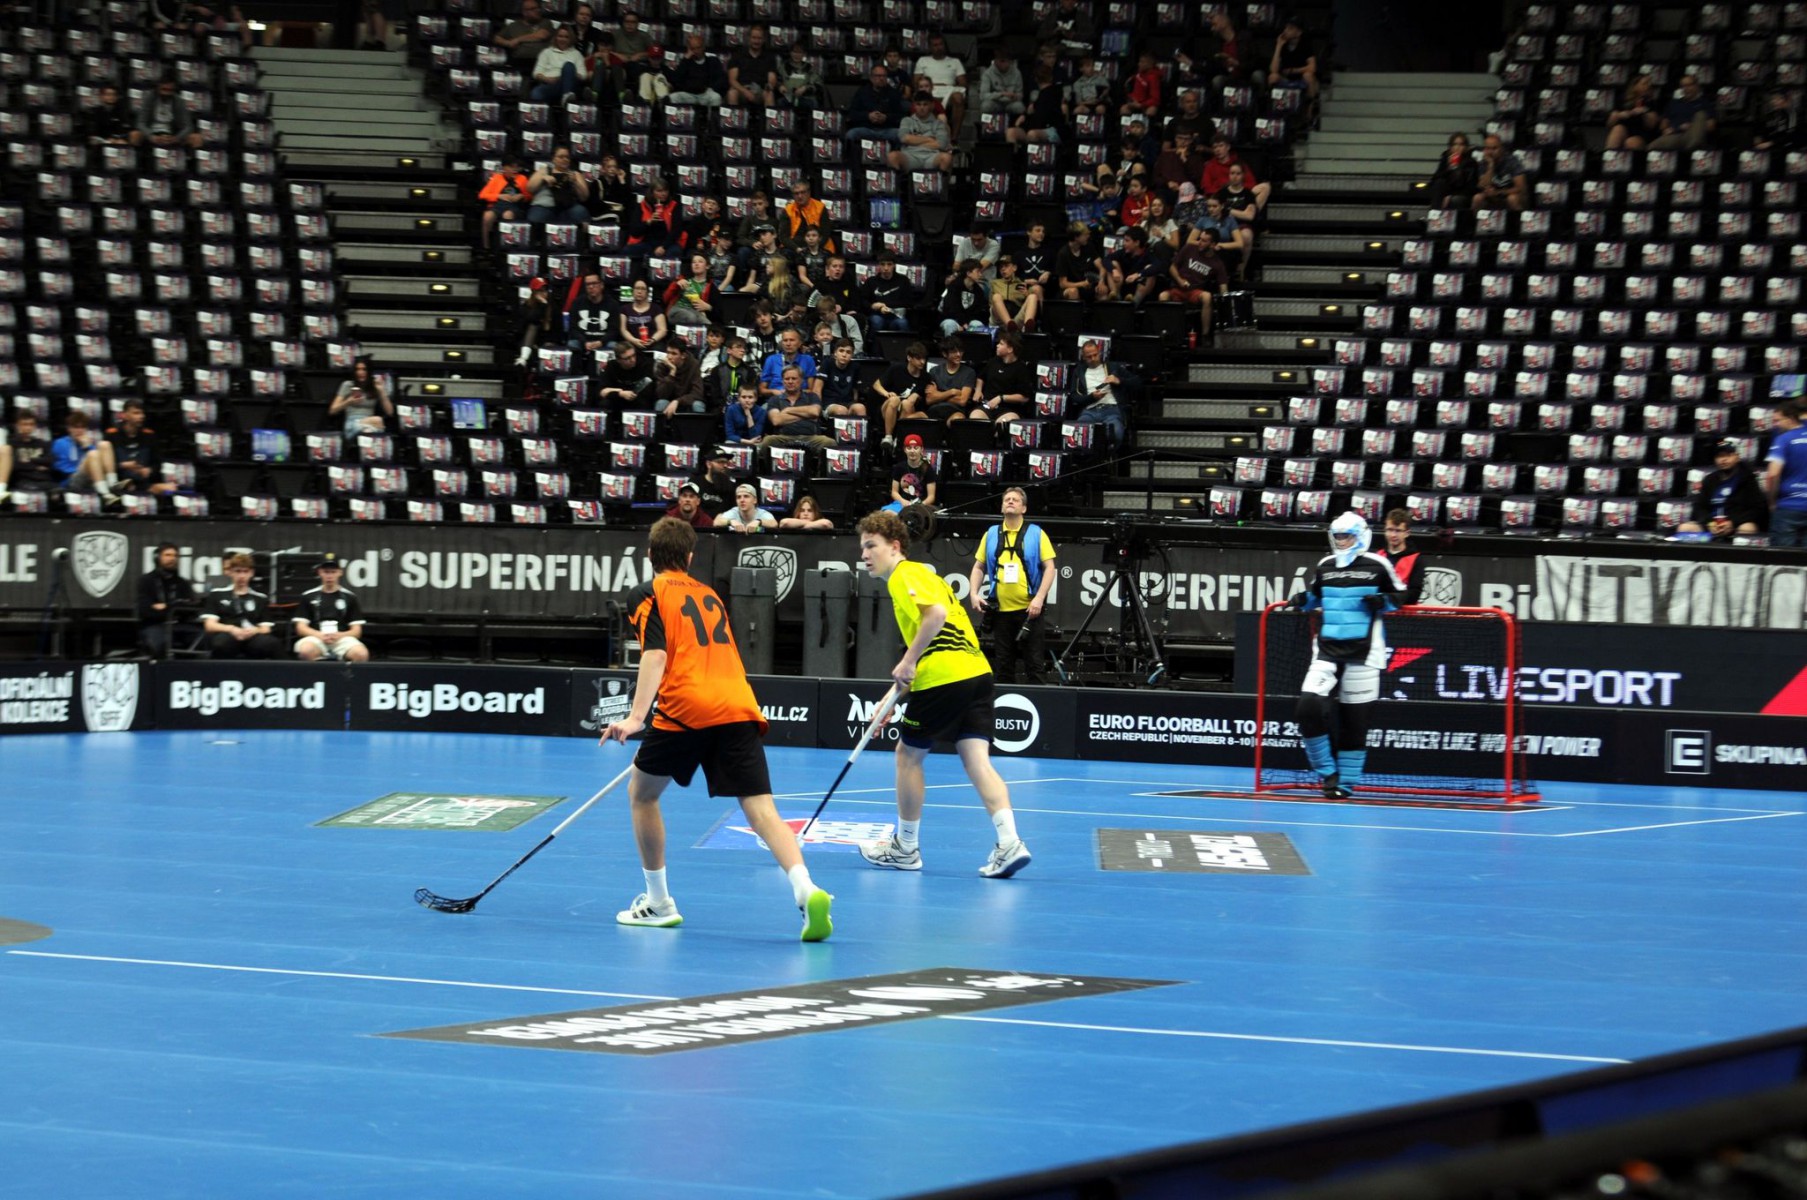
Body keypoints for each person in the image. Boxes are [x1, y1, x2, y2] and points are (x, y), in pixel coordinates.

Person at [602, 517, 833, 940]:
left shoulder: (647, 593)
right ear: (690, 558)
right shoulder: (709, 594)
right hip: (737, 703)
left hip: (686, 707)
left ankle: (658, 902)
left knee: (642, 794)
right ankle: (806, 887)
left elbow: (655, 654)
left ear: (650, 555)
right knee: (761, 809)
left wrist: (636, 718)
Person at [854, 509, 1032, 879]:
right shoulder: (926, 575)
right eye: (863, 547)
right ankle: (1010, 842)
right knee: (977, 760)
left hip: (944, 677)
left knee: (907, 756)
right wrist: (891, 698)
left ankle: (905, 848)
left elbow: (934, 618)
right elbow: (931, 643)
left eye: (872, 546)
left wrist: (907, 660)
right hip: (977, 673)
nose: (865, 554)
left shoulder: (903, 575)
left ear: (895, 546)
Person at [1288, 512, 1407, 799]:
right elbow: (1316, 597)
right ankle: (1327, 772)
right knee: (1307, 709)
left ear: (1361, 536)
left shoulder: (1378, 564)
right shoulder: (1325, 565)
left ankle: (1345, 784)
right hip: (1326, 651)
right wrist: (1303, 600)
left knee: (1355, 725)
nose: (1342, 541)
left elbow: (1402, 595)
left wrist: (1384, 601)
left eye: (1347, 536)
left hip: (1365, 654)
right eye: (1338, 536)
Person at [969, 487, 1056, 684]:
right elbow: (978, 567)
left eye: (1015, 500)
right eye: (1006, 499)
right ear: (1001, 507)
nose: (1010, 501)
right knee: (1003, 666)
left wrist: (1039, 598)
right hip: (1000, 612)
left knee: (1035, 665)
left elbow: (1050, 568)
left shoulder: (1036, 533)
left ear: (1023, 508)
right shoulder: (991, 534)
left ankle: (1039, 702)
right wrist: (973, 593)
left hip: (1030, 612)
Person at [203, 553, 282, 659]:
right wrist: (231, 629)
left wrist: (255, 630)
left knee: (272, 643)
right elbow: (210, 625)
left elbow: (266, 628)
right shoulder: (217, 594)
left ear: (251, 573)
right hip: (227, 634)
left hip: (252, 636)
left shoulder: (260, 598)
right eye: (238, 571)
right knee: (221, 643)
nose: (242, 576)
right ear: (231, 572)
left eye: (245, 571)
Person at [293, 553, 369, 663]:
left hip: (341, 638)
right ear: (319, 572)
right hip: (316, 637)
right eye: (326, 572)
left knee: (361, 654)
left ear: (340, 572)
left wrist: (340, 635)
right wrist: (319, 635)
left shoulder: (350, 597)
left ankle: (347, 673)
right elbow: (301, 627)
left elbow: (357, 631)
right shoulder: (308, 596)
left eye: (333, 572)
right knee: (306, 650)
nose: (329, 576)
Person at [138, 542, 199, 659]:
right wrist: (175, 607)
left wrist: (166, 607)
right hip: (155, 625)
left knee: (201, 639)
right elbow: (145, 610)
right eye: (168, 555)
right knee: (159, 644)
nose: (172, 559)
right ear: (157, 558)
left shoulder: (183, 583)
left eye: (175, 556)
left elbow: (191, 607)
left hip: (180, 625)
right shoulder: (146, 580)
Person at [1067, 338, 1128, 447]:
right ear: (1083, 357)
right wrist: (1092, 397)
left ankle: (1109, 456)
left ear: (1099, 352)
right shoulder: (1079, 371)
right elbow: (1074, 396)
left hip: (1111, 410)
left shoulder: (1113, 367)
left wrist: (1119, 381)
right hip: (1089, 411)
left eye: (1095, 355)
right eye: (1089, 357)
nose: (1093, 359)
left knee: (1116, 434)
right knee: (1077, 433)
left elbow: (1137, 382)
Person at [50, 412, 122, 503]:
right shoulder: (60, 443)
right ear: (69, 428)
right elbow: (58, 467)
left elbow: (97, 463)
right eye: (76, 427)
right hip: (71, 480)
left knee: (104, 444)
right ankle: (104, 494)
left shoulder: (88, 444)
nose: (79, 430)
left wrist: (87, 447)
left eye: (82, 427)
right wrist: (82, 466)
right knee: (92, 454)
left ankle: (112, 484)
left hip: (93, 478)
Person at [875, 341, 932, 446]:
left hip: (909, 413)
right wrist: (886, 393)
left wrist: (917, 395)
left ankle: (899, 438)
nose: (922, 362)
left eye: (924, 358)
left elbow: (926, 399)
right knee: (895, 399)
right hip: (890, 408)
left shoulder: (926, 377)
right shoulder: (897, 369)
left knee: (907, 403)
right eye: (918, 358)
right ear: (909, 358)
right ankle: (888, 437)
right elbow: (876, 384)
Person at [763, 365, 834, 449]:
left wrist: (788, 410)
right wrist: (807, 415)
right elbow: (776, 420)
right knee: (768, 440)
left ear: (801, 380)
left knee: (829, 442)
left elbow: (815, 412)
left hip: (811, 438)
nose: (790, 381)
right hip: (783, 438)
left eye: (794, 378)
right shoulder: (775, 399)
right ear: (782, 381)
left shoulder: (812, 396)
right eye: (787, 379)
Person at [1766, 402, 1807, 546]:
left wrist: (1771, 501)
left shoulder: (1783, 439)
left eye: (1778, 420)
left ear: (1790, 419)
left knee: (1783, 557)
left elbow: (1773, 474)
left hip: (1788, 507)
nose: (1775, 425)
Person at [913, 33, 967, 135]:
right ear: (930, 47)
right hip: (928, 90)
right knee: (923, 96)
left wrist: (950, 88)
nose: (939, 47)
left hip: (948, 91)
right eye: (935, 45)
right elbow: (916, 82)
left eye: (941, 44)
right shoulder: (923, 60)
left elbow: (963, 83)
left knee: (958, 97)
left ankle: (954, 137)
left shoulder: (955, 61)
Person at [1648, 74, 1716, 152]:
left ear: (1696, 86)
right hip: (1675, 135)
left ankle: (1691, 149)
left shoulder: (1705, 103)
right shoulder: (1674, 103)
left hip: (1693, 134)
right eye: (1683, 86)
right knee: (1652, 146)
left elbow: (1711, 126)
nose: (1686, 89)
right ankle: (1689, 150)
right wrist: (1666, 129)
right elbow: (1663, 124)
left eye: (1689, 85)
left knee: (1701, 114)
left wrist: (1692, 126)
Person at [889, 91, 954, 173]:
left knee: (947, 158)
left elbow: (941, 144)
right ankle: (899, 181)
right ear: (914, 106)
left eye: (925, 104)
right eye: (918, 104)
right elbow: (904, 138)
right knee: (892, 156)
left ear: (931, 105)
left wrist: (913, 141)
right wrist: (930, 139)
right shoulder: (906, 120)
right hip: (910, 156)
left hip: (932, 157)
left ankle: (939, 181)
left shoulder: (939, 124)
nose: (922, 107)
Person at [525, 145, 591, 225]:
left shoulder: (575, 174)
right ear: (553, 159)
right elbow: (530, 188)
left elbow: (584, 197)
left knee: (581, 213)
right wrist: (543, 178)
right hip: (545, 206)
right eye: (561, 157)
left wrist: (575, 182)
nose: (565, 159)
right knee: (536, 218)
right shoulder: (544, 170)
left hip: (568, 207)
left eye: (567, 157)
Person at [0, 410, 56, 503]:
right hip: (23, 481)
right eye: (24, 424)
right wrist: (38, 465)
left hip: (45, 481)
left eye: (31, 424)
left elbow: (50, 461)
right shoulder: (12, 444)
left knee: (58, 494)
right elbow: (15, 465)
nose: (28, 427)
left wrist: (29, 460)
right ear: (18, 425)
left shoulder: (42, 443)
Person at [136, 73, 203, 149]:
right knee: (135, 135)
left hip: (172, 134)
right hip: (151, 133)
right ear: (158, 88)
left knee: (197, 138)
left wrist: (177, 138)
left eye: (170, 90)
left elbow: (188, 126)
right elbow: (140, 123)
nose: (166, 93)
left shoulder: (179, 101)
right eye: (164, 89)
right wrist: (151, 136)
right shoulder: (149, 99)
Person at [479, 153, 532, 249]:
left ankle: (506, 247)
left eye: (517, 167)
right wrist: (499, 196)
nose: (515, 170)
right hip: (498, 205)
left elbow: (529, 196)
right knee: (487, 216)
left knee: (507, 215)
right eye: (512, 167)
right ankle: (486, 247)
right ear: (504, 168)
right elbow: (482, 195)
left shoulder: (522, 178)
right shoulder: (496, 178)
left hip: (515, 207)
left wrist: (521, 196)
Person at [1374, 509, 1425, 606]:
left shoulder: (1416, 559)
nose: (1393, 535)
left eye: (1398, 531)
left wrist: (1387, 599)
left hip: (1404, 613)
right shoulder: (1378, 556)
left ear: (1407, 533)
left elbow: (1414, 594)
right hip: (1380, 611)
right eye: (1390, 530)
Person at [858, 252, 918, 334]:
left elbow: (908, 302)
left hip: (897, 316)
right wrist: (872, 306)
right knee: (876, 321)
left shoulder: (903, 280)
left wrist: (885, 306)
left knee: (902, 323)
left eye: (889, 264)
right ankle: (873, 343)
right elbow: (863, 301)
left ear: (894, 265)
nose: (886, 268)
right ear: (879, 265)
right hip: (877, 315)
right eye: (883, 264)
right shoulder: (871, 281)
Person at [529, 23, 587, 105]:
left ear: (571, 39)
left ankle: (566, 97)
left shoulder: (576, 54)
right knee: (536, 92)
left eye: (566, 37)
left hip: (570, 85)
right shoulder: (546, 52)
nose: (563, 39)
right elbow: (536, 73)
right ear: (556, 37)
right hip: (551, 84)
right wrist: (547, 79)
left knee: (568, 66)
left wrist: (567, 75)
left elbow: (583, 75)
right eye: (560, 36)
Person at [665, 32, 728, 106]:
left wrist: (712, 88)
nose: (696, 51)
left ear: (703, 47)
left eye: (698, 48)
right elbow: (676, 79)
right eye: (693, 49)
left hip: (706, 94)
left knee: (716, 97)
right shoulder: (686, 62)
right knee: (673, 97)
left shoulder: (712, 61)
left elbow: (721, 78)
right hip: (688, 94)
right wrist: (686, 59)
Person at [726, 22, 780, 108]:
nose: (756, 41)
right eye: (754, 38)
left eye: (759, 38)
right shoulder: (738, 55)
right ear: (749, 38)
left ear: (764, 40)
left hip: (760, 91)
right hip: (742, 89)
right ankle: (734, 116)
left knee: (769, 94)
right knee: (732, 92)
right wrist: (745, 91)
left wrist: (770, 86)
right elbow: (732, 80)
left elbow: (772, 78)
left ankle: (768, 117)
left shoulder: (769, 57)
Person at [1471, 134, 1528, 212]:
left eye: (1494, 148)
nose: (1490, 152)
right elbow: (1482, 186)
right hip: (1494, 197)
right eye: (1488, 148)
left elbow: (1521, 188)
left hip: (1510, 195)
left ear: (1501, 149)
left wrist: (1498, 192)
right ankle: (1473, 220)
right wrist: (1490, 166)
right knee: (1477, 198)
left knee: (1512, 198)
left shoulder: (1512, 161)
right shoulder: (1484, 162)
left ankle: (1517, 219)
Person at [924, 340, 978, 423]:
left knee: (958, 419)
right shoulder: (934, 371)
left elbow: (962, 401)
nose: (959, 354)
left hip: (955, 411)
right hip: (934, 410)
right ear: (944, 354)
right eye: (954, 352)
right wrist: (952, 392)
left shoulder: (969, 372)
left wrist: (938, 394)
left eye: (960, 351)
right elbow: (929, 400)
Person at [1605, 75, 1658, 151]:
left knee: (1631, 142)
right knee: (1618, 129)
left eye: (1650, 84)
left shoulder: (1651, 102)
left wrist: (1644, 113)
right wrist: (1619, 115)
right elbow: (1609, 123)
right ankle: (1610, 155)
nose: (1648, 86)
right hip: (1624, 130)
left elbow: (1651, 125)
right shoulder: (1623, 100)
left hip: (1641, 133)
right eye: (1645, 83)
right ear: (1635, 86)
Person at [492, 0, 552, 68]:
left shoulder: (545, 22)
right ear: (525, 12)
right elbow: (496, 38)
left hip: (541, 62)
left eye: (538, 8)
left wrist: (517, 40)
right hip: (519, 62)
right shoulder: (513, 26)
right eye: (533, 9)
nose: (537, 10)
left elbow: (542, 35)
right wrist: (508, 43)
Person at [1426, 133, 1479, 210]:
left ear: (1465, 147)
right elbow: (1434, 180)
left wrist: (1451, 196)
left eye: (1461, 145)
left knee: (1455, 200)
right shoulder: (1445, 159)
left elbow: (1471, 187)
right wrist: (1449, 168)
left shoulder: (1470, 162)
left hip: (1462, 194)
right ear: (1450, 147)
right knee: (1439, 183)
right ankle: (1436, 213)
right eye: (1455, 144)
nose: (1457, 147)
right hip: (1445, 192)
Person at [653, 341, 705, 417]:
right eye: (668, 352)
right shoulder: (662, 365)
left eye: (674, 354)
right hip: (669, 402)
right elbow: (661, 395)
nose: (669, 357)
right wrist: (672, 373)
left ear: (683, 355)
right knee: (661, 403)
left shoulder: (693, 365)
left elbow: (698, 393)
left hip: (687, 402)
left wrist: (678, 401)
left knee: (698, 405)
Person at [887, 433, 937, 511]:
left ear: (921, 449)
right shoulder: (899, 467)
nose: (912, 451)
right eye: (909, 448)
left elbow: (931, 497)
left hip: (922, 505)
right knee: (887, 513)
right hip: (902, 504)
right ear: (904, 450)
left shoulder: (928, 469)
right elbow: (894, 492)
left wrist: (920, 505)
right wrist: (903, 502)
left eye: (916, 448)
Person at [599, 341, 655, 409]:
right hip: (618, 400)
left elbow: (648, 392)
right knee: (605, 403)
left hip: (639, 400)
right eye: (627, 358)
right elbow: (602, 392)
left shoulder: (645, 364)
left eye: (634, 355)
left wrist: (614, 390)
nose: (633, 360)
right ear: (618, 360)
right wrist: (621, 393)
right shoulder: (611, 366)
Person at [618, 278, 668, 349]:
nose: (639, 291)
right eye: (637, 288)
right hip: (632, 343)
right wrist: (634, 340)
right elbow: (623, 330)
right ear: (632, 291)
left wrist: (652, 340)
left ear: (647, 292)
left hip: (653, 343)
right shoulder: (624, 309)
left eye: (643, 289)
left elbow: (662, 330)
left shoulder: (656, 308)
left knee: (660, 347)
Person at [977, 48, 1026, 118]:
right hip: (995, 102)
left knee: (1019, 107)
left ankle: (1016, 124)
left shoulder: (1017, 73)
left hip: (1011, 103)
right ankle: (987, 124)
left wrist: (1015, 96)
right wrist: (1001, 94)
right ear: (995, 61)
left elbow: (1020, 95)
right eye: (1001, 61)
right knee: (985, 106)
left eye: (1005, 61)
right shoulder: (987, 73)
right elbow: (983, 96)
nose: (1003, 64)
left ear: (1010, 61)